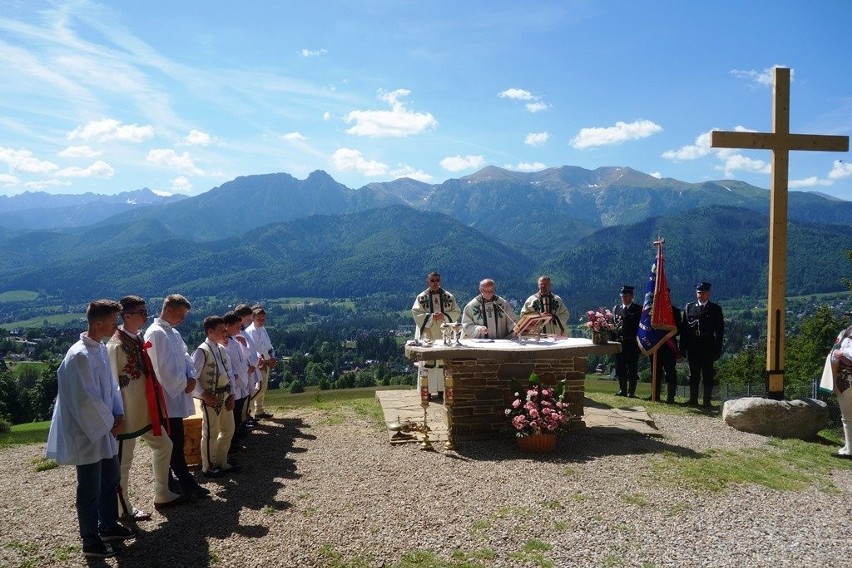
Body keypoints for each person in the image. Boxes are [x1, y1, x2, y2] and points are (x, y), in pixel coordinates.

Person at [46, 299, 137, 559]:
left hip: (106, 427)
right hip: (88, 432)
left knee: (110, 478)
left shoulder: (98, 349)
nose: (116, 326)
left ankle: (107, 525)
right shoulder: (79, 356)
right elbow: (85, 400)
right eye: (112, 322)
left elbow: (111, 386)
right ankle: (90, 539)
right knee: (89, 488)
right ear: (97, 323)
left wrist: (118, 412)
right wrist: (109, 423)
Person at [106, 296, 183, 522]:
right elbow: (111, 382)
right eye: (140, 312)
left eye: (145, 310)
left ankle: (162, 492)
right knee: (124, 460)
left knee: (164, 444)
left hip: (146, 408)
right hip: (126, 412)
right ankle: (123, 508)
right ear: (126, 315)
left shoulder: (137, 338)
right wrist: (115, 414)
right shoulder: (115, 344)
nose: (145, 315)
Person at [144, 294, 209, 499]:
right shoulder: (156, 334)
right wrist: (184, 383)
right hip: (166, 398)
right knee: (173, 441)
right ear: (168, 309)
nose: (182, 318)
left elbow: (186, 357)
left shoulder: (172, 333)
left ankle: (176, 481)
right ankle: (182, 482)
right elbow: (162, 369)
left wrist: (191, 376)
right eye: (179, 314)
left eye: (184, 315)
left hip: (178, 392)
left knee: (177, 440)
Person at [192, 316, 240, 477]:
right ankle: (208, 466)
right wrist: (203, 395)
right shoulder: (201, 351)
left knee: (228, 429)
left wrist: (232, 394)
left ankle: (221, 461)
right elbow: (193, 378)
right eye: (221, 329)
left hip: (225, 394)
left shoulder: (221, 349)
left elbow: (229, 374)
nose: (225, 332)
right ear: (210, 331)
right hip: (211, 398)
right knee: (211, 432)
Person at [411, 272, 461, 397]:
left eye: (437, 280)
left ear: (440, 281)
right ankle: (426, 390)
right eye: (432, 280)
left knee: (443, 362)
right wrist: (431, 316)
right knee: (428, 362)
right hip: (428, 334)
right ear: (427, 282)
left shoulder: (448, 296)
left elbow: (456, 311)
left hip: (445, 333)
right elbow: (416, 313)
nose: (435, 283)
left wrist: (444, 316)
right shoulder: (422, 297)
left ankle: (442, 390)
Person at [681, 282, 725, 408]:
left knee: (708, 375)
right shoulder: (689, 308)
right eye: (699, 292)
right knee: (693, 375)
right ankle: (693, 400)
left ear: (708, 293)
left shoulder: (715, 309)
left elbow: (720, 332)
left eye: (704, 292)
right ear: (696, 293)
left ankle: (706, 401)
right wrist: (682, 348)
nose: (701, 295)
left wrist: (718, 350)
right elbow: (685, 330)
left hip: (708, 346)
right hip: (693, 346)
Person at [223, 311, 251, 444]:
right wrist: (235, 376)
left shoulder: (234, 340)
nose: (240, 329)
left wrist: (244, 343)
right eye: (237, 326)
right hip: (234, 382)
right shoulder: (224, 342)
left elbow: (243, 358)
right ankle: (232, 442)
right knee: (233, 415)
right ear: (227, 326)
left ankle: (237, 435)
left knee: (239, 411)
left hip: (242, 380)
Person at [827, 315, 852, 458]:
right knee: (847, 416)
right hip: (843, 378)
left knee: (847, 416)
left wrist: (841, 353)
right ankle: (849, 445)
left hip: (845, 378)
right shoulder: (845, 333)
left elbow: (838, 354)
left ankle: (850, 450)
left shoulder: (846, 334)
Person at [246, 305, 277, 419]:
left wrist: (272, 357)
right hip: (258, 363)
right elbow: (253, 350)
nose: (262, 321)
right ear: (253, 318)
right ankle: (246, 410)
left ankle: (259, 410)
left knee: (263, 388)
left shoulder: (262, 329)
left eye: (263, 319)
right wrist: (263, 361)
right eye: (259, 319)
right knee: (259, 388)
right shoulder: (251, 331)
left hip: (266, 361)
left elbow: (268, 346)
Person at [650, 301, 682, 403]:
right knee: (655, 371)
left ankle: (671, 397)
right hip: (655, 346)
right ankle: (655, 395)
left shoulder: (675, 311)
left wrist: (665, 330)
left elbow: (679, 329)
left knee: (670, 372)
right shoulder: (651, 310)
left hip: (669, 346)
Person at [613, 285, 641, 398]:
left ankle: (631, 391)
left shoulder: (638, 309)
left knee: (632, 368)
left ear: (632, 296)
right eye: (623, 295)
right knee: (620, 367)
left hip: (632, 343)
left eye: (627, 295)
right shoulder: (616, 309)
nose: (624, 297)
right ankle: (622, 389)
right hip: (619, 343)